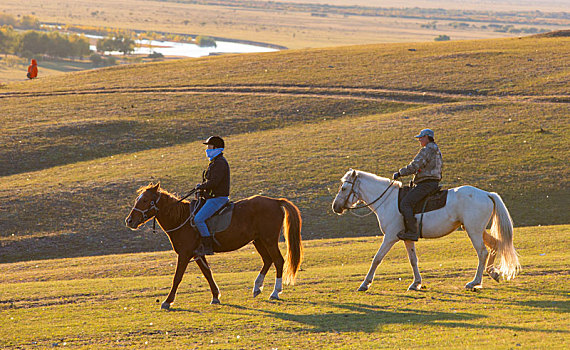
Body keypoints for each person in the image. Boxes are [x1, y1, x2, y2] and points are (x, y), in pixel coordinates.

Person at [392, 128, 443, 241]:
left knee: (406, 203)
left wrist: (400, 173)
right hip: (432, 182)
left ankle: (412, 232)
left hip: (426, 184)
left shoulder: (427, 150)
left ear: (427, 137)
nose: (419, 139)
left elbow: (415, 165)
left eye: (421, 137)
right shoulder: (436, 149)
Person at [193, 136, 230, 256]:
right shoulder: (215, 162)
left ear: (215, 148)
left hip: (218, 199)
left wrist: (201, 186)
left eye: (209, 147)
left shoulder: (220, 163)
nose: (207, 149)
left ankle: (207, 247)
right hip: (212, 197)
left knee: (198, 219)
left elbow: (214, 182)